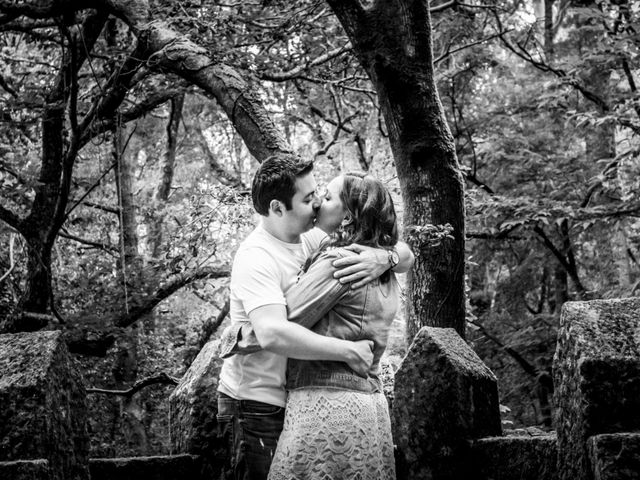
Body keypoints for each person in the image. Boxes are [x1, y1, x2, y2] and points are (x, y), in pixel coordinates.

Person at [216, 155, 413, 480]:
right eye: (309, 199)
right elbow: (274, 334)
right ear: (278, 208)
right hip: (256, 402)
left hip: (301, 397)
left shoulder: (314, 238)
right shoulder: (257, 256)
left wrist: (385, 256)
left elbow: (402, 250)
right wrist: (347, 351)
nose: (318, 202)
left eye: (321, 194)